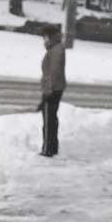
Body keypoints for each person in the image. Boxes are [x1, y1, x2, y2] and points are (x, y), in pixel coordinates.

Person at [40, 26, 67, 157]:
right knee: (51, 119)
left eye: (45, 37)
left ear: (50, 36)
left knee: (49, 121)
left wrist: (48, 90)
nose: (43, 40)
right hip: (55, 88)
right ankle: (52, 147)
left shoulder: (56, 50)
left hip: (52, 90)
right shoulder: (56, 48)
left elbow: (54, 72)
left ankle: (48, 149)